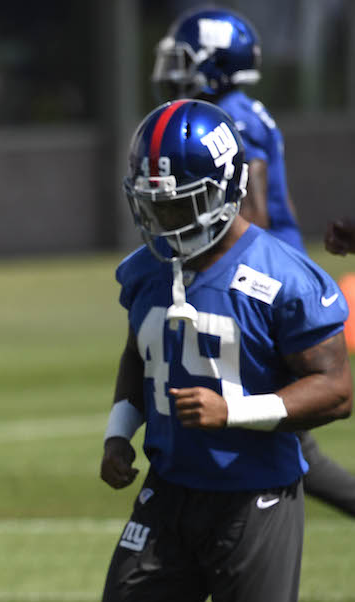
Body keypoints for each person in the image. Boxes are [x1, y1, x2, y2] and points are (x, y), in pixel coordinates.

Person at [96, 99, 351, 602]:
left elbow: (336, 388)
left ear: (225, 190)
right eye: (154, 204)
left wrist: (236, 410)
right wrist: (119, 430)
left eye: (179, 203)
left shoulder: (282, 275)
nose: (165, 220)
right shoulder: (148, 269)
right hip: (170, 491)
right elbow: (139, 352)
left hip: (256, 498)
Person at [152, 6, 355, 517]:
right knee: (291, 444)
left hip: (263, 286)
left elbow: (252, 210)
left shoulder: (232, 120)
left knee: (293, 444)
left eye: (185, 59)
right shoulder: (239, 109)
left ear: (215, 62)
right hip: (273, 274)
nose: (174, 71)